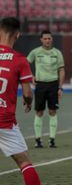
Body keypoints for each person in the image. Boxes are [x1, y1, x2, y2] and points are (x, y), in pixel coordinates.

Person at [0, 17, 42, 185]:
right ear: (17, 35)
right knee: (23, 162)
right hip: (4, 121)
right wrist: (28, 101)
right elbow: (27, 92)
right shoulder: (19, 60)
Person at [27, 30, 65, 148]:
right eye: (45, 38)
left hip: (53, 85)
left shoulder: (57, 53)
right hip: (40, 85)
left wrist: (60, 87)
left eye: (49, 38)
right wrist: (31, 76)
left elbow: (62, 70)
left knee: (52, 111)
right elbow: (25, 64)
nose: (47, 40)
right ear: (41, 39)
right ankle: (38, 140)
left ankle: (52, 139)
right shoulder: (36, 52)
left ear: (52, 39)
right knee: (39, 112)